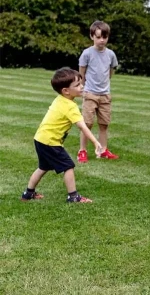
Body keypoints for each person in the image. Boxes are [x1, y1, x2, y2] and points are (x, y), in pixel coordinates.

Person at [21, 67, 103, 203]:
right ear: (66, 91)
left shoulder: (60, 99)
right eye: (77, 85)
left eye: (81, 83)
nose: (82, 86)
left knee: (43, 167)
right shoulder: (70, 106)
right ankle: (73, 196)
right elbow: (82, 126)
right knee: (68, 166)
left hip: (40, 138)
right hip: (50, 141)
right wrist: (95, 142)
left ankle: (28, 194)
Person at [77, 21, 119, 163]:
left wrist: (105, 86)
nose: (102, 40)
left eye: (104, 37)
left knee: (104, 124)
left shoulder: (111, 54)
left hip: (105, 95)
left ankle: (103, 150)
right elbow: (81, 73)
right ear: (92, 36)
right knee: (87, 124)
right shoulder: (87, 53)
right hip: (90, 94)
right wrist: (84, 89)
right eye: (98, 37)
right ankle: (82, 151)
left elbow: (110, 72)